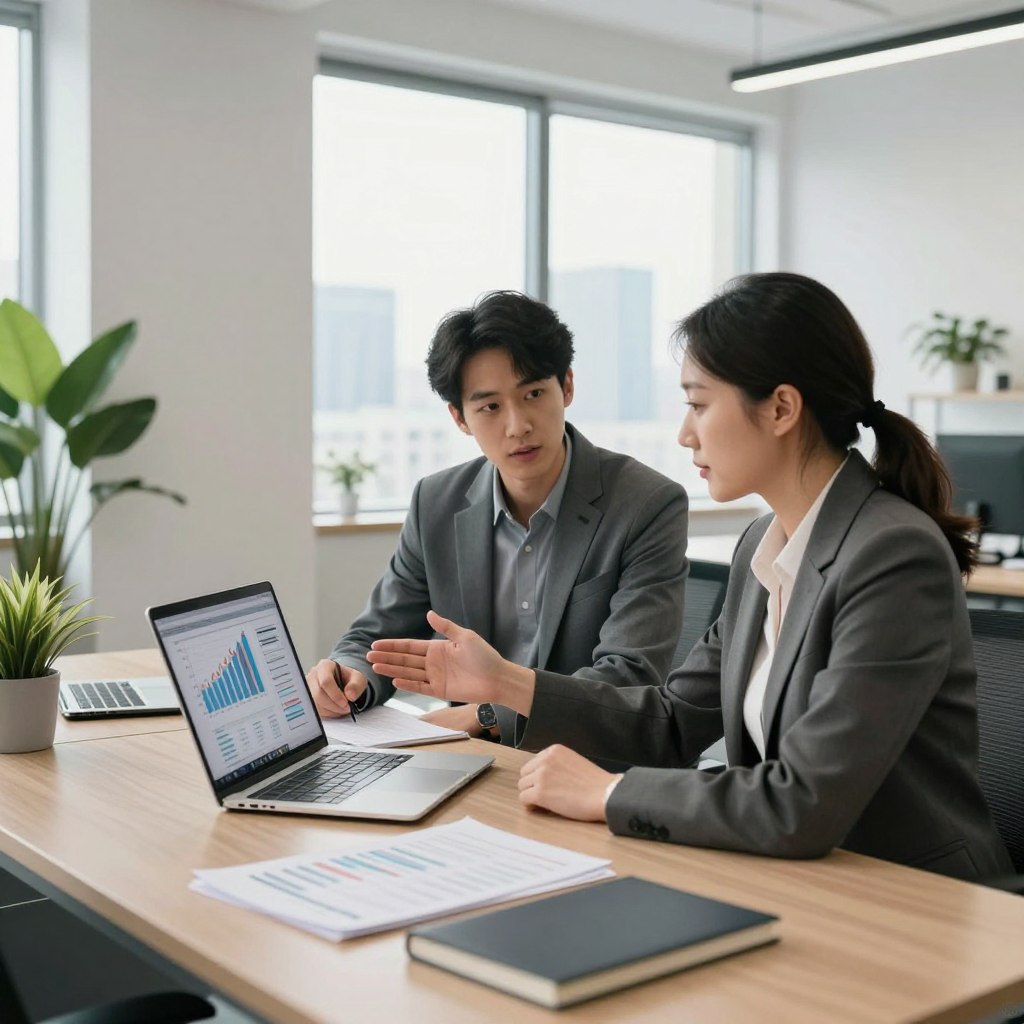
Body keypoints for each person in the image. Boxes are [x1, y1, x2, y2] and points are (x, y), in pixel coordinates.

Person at [366, 272, 1012, 881]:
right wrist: (505, 683)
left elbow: (804, 801)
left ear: (782, 408)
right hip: (798, 877)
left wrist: (610, 792)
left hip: (911, 899)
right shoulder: (766, 544)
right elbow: (670, 724)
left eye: (698, 405)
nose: (683, 435)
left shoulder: (892, 554)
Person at [307, 289, 689, 745]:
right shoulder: (437, 501)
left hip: (591, 763)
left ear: (566, 386)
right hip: (471, 762)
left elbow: (628, 677)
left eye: (533, 394)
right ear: (459, 417)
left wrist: (487, 713)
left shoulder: (646, 504)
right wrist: (348, 678)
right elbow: (375, 634)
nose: (517, 425)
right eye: (490, 406)